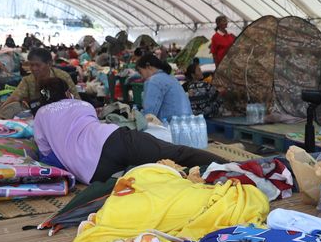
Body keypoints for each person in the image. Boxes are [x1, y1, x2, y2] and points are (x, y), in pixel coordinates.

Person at [33, 77, 224, 184]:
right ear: (67, 93)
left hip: (94, 173)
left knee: (142, 174)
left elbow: (47, 155)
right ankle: (231, 166)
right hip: (114, 141)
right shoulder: (82, 104)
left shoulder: (40, 114)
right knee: (177, 153)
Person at [1, 47, 78, 110]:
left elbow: (77, 100)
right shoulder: (27, 80)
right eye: (31, 65)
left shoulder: (63, 76)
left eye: (38, 65)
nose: (34, 69)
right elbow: (14, 98)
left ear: (49, 64)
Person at [136, 53, 192, 122]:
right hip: (188, 123)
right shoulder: (171, 78)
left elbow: (149, 115)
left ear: (148, 66)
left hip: (171, 127)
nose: (142, 77)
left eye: (140, 72)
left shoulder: (153, 81)